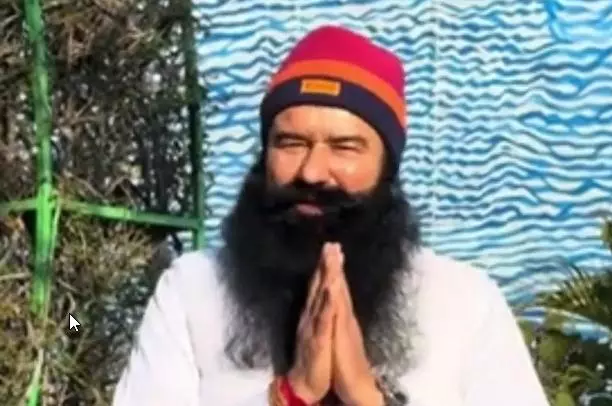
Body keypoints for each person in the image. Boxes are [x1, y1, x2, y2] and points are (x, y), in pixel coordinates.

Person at [113, 25, 548, 406]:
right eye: (291, 143)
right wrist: (292, 394)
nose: (313, 172)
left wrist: (368, 398)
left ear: (387, 168)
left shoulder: (465, 302)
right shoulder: (192, 290)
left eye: (344, 147)